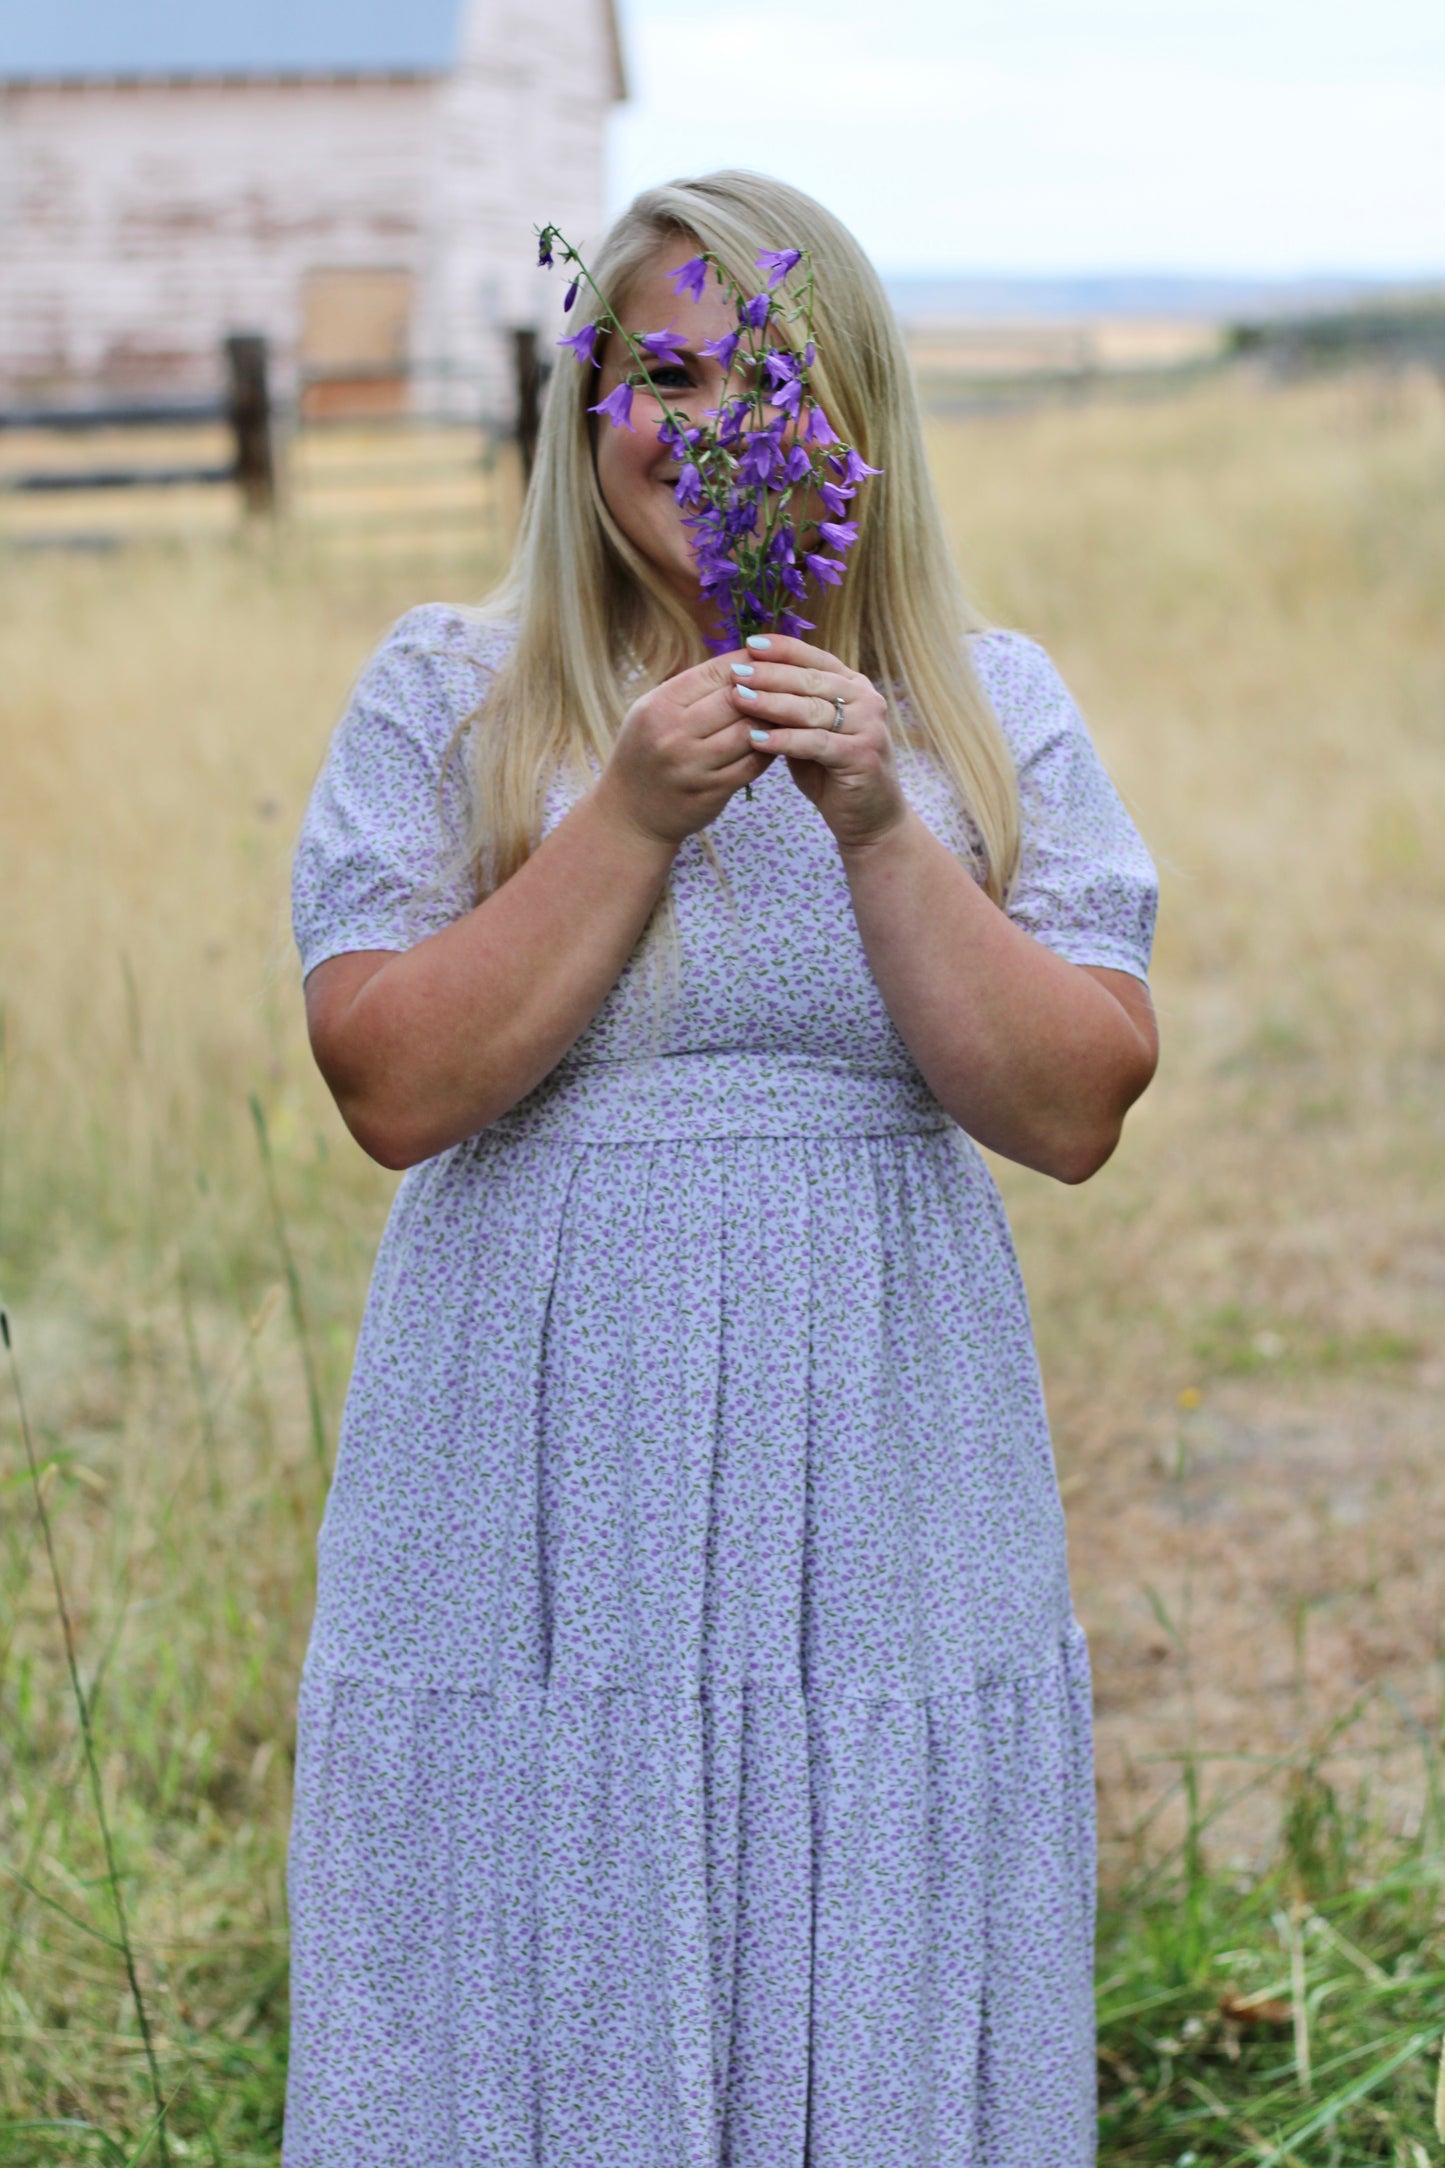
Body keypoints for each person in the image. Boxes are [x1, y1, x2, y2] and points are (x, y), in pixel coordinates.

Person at [284, 168, 1159, 2168]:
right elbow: (393, 1083)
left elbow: (1076, 1102)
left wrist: (872, 820)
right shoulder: (458, 694)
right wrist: (627, 816)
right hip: (531, 1502)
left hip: (878, 1484)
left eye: (772, 377)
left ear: (858, 424)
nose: (712, 426)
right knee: (532, 1913)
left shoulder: (980, 712)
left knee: (857, 1911)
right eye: (661, 371)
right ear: (584, 409)